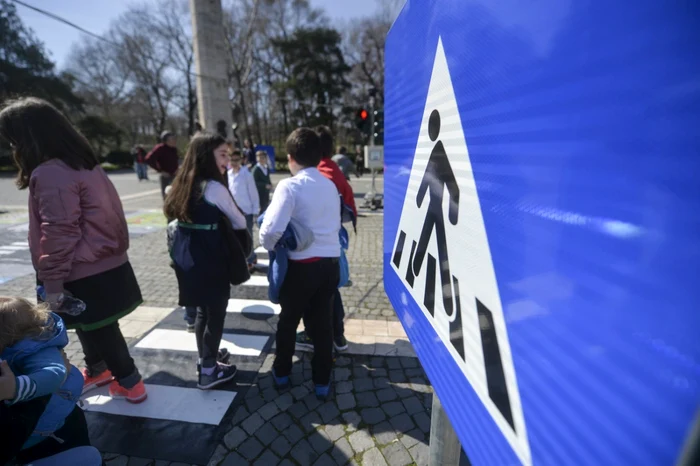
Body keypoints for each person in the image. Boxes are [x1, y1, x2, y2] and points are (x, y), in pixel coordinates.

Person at [0, 97, 147, 404]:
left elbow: (58, 233)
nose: (13, 148)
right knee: (92, 324)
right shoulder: (84, 163)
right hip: (104, 264)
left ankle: (131, 382)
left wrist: (52, 284)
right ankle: (99, 369)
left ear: (28, 138)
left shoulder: (50, 173)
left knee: (101, 329)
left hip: (78, 270)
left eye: (13, 139)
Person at [259, 128, 341, 399]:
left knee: (288, 322)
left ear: (290, 157)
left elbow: (270, 231)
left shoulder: (289, 185)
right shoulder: (329, 184)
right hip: (330, 265)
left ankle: (282, 372)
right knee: (322, 325)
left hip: (300, 268)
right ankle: (322, 381)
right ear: (319, 157)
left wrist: (271, 248)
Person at [164, 132, 247, 389]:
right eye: (222, 154)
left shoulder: (183, 181)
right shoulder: (213, 187)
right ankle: (209, 370)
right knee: (215, 315)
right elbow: (240, 221)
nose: (227, 160)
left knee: (202, 311)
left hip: (188, 257)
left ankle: (205, 359)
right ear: (206, 156)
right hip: (212, 258)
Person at [0, 297, 97, 464]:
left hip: (50, 412)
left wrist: (15, 388)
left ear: (9, 334)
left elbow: (55, 373)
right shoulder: (22, 342)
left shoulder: (35, 348)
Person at [294, 127, 358, 353]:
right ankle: (338, 335)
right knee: (330, 290)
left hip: (317, 242)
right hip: (333, 236)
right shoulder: (334, 170)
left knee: (316, 292)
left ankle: (315, 335)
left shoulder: (319, 173)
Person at [228, 148, 260, 271]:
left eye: (236, 160)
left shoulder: (246, 174)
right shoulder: (228, 175)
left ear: (241, 160)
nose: (234, 162)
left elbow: (253, 193)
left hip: (246, 211)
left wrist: (255, 210)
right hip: (233, 212)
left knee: (248, 236)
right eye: (232, 160)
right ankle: (244, 258)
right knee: (236, 237)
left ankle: (251, 259)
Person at [146, 131, 179, 199]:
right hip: (166, 176)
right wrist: (160, 171)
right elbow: (148, 159)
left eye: (174, 139)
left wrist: (177, 169)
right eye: (172, 139)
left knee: (177, 195)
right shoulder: (160, 148)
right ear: (166, 141)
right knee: (167, 196)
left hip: (175, 175)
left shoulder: (174, 149)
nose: (174, 141)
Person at [252, 150, 273, 214]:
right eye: (259, 158)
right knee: (261, 208)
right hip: (259, 192)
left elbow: (268, 179)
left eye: (263, 158)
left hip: (266, 192)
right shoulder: (256, 169)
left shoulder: (266, 168)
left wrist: (270, 184)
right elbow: (253, 182)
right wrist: (264, 185)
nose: (261, 159)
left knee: (266, 207)